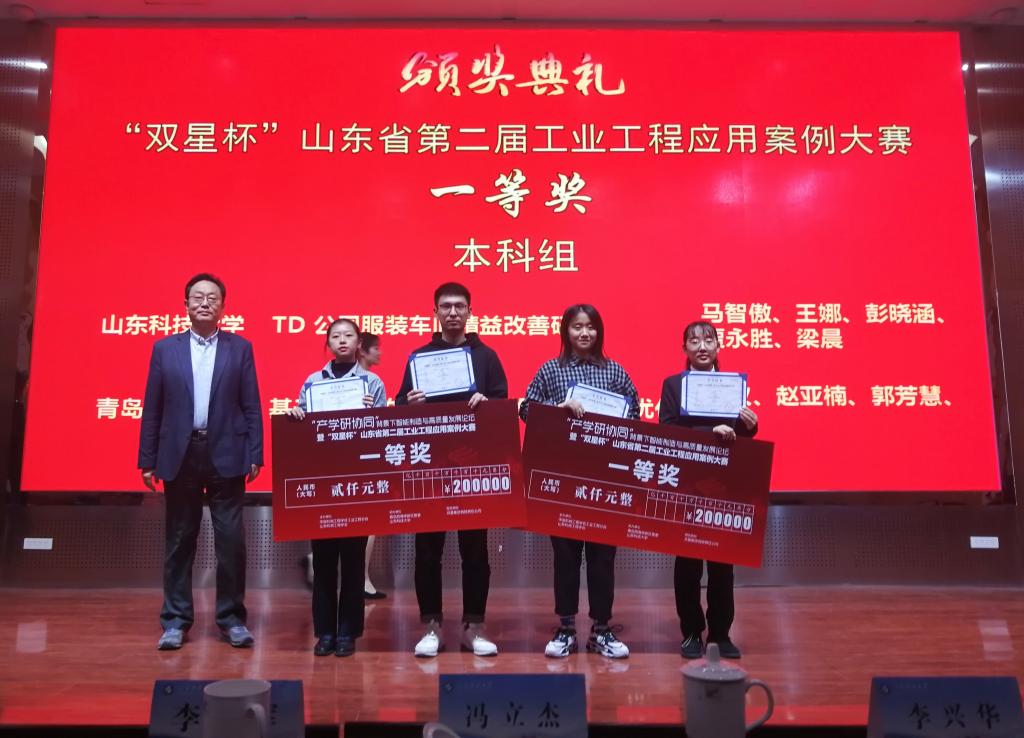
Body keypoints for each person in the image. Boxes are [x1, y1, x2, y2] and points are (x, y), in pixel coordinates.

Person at [139, 273, 263, 651]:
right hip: (180, 454)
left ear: (223, 306)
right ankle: (176, 621)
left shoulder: (240, 348)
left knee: (231, 542)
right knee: (179, 540)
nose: (204, 302)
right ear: (186, 305)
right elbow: (153, 407)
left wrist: (255, 453)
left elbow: (251, 404)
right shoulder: (165, 349)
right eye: (197, 297)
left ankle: (231, 619)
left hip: (227, 452)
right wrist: (147, 458)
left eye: (212, 297)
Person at [395, 282, 508, 658]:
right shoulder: (419, 357)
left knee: (475, 551)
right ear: (435, 312)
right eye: (446, 306)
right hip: (429, 468)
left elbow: (502, 405)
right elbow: (399, 407)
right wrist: (410, 404)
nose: (453, 312)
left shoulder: (487, 357)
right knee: (427, 550)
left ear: (470, 311)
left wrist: (487, 404)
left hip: (473, 469)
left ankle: (474, 628)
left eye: (460, 306)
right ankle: (431, 626)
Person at [520, 304, 639, 660]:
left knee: (603, 557)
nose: (584, 333)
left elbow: (634, 414)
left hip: (605, 480)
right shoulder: (551, 369)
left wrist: (616, 421)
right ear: (566, 331)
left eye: (590, 327)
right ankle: (566, 628)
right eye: (577, 327)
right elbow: (526, 409)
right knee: (566, 556)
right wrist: (558, 407)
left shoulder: (614, 370)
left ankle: (601, 629)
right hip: (564, 479)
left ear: (599, 332)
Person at [659, 320, 759, 660]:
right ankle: (691, 631)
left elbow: (740, 437)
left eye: (708, 340)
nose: (702, 346)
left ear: (718, 346)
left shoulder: (731, 385)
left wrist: (749, 426)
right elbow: (667, 430)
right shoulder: (673, 385)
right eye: (694, 341)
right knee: (687, 563)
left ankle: (720, 634)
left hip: (723, 485)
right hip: (687, 484)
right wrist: (708, 434)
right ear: (684, 349)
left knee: (722, 563)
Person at [288, 318, 385, 657]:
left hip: (357, 481)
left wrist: (372, 414)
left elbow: (383, 432)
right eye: (335, 336)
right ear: (327, 343)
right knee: (325, 560)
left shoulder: (372, 383)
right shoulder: (313, 382)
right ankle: (325, 631)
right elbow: (302, 429)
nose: (342, 340)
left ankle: (348, 632)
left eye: (348, 335)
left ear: (358, 343)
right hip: (323, 482)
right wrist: (296, 415)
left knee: (354, 560)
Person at [357, 332, 386, 601]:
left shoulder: (374, 382)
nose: (380, 353)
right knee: (367, 521)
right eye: (375, 348)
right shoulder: (324, 379)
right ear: (362, 350)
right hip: (361, 459)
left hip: (366, 457)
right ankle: (362, 579)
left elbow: (379, 420)